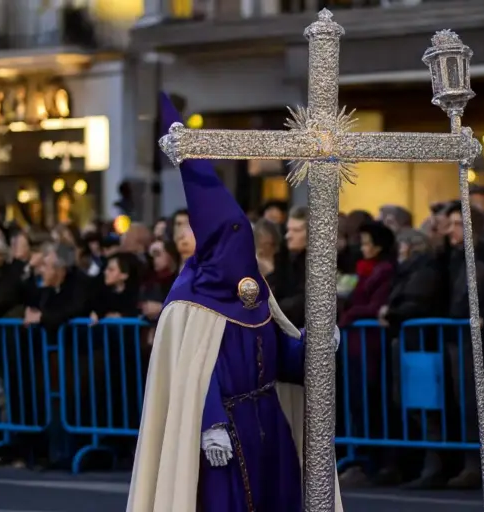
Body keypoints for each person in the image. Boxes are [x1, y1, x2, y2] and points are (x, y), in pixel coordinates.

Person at [127, 94, 342, 512]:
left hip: (267, 422)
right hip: (224, 431)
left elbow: (280, 359)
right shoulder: (189, 301)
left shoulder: (256, 295)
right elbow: (195, 373)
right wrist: (210, 425)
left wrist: (315, 346)